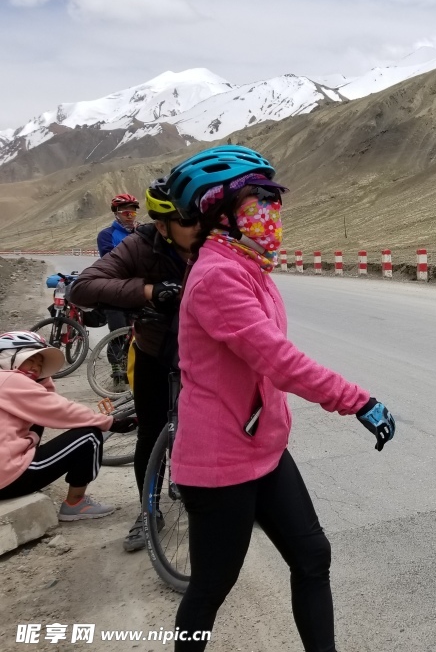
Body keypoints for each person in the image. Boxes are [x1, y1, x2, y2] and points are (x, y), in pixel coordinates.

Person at [164, 145, 396, 651]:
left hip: (262, 451)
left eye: (274, 197)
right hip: (220, 463)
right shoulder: (218, 278)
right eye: (258, 198)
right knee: (209, 589)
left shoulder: (248, 267)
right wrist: (356, 399)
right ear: (219, 211)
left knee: (312, 556)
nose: (272, 209)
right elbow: (279, 360)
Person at [67, 179, 200, 551]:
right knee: (152, 432)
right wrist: (148, 292)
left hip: (201, 355)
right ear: (161, 226)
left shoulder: (214, 242)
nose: (200, 227)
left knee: (211, 430)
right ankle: (148, 511)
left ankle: (225, 502)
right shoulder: (139, 244)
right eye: (188, 220)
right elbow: (83, 287)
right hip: (154, 351)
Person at [0, 331, 136, 518]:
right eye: (30, 359)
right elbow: (59, 409)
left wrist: (41, 378)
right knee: (89, 436)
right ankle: (76, 503)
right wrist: (110, 422)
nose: (36, 368)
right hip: (6, 480)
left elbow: (46, 401)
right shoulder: (11, 380)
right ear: (9, 356)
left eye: (40, 365)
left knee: (38, 423)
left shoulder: (5, 381)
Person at [97, 193, 142, 385]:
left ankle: (136, 366)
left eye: (133, 211)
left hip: (136, 288)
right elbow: (111, 258)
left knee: (139, 329)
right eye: (125, 211)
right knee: (118, 330)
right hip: (114, 288)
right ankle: (117, 368)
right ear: (116, 213)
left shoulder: (142, 232)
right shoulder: (106, 235)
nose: (130, 215)